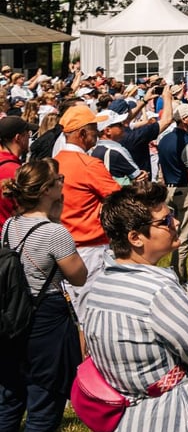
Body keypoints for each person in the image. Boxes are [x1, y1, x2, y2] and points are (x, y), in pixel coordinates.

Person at [81, 182, 188, 432]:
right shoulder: (159, 291)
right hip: (168, 422)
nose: (175, 223)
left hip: (118, 427)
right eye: (165, 221)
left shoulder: (98, 286)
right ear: (135, 238)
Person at [0, 159, 86, 432]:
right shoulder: (55, 232)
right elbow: (79, 276)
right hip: (47, 321)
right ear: (47, 190)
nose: (62, 183)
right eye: (58, 179)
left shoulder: (10, 225)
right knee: (43, 407)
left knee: (10, 400)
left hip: (14, 316)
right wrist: (57, 221)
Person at [52, 106, 119, 312]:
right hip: (90, 248)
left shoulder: (54, 162)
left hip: (60, 246)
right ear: (82, 134)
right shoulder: (89, 164)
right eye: (94, 130)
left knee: (71, 310)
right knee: (90, 311)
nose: (97, 133)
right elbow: (119, 199)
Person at [156, 102, 188, 290]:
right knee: (183, 237)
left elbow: (161, 168)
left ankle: (172, 272)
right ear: (184, 120)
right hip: (183, 190)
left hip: (167, 189)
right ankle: (180, 278)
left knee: (169, 234)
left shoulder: (163, 139)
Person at [0, 115, 37, 226]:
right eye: (27, 134)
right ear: (18, 137)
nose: (29, 137)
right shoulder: (16, 171)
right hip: (9, 232)